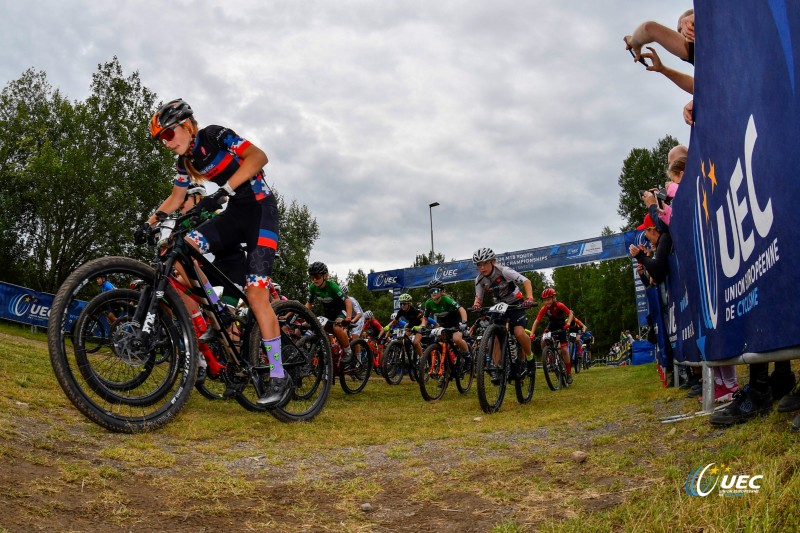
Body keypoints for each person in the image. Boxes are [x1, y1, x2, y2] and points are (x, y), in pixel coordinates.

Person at [142, 98, 288, 406]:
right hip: (235, 213)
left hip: (261, 210)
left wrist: (223, 190)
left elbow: (258, 157)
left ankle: (277, 374)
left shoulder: (213, 135)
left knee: (258, 295)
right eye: (161, 140)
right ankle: (216, 312)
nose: (166, 143)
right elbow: (175, 197)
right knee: (183, 245)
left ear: (188, 126)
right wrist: (150, 221)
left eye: (168, 135)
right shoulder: (184, 162)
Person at [470, 247, 536, 371]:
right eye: (479, 265)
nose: (482, 267)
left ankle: (529, 357)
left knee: (519, 333)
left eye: (485, 263)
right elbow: (478, 297)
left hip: (515, 303)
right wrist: (477, 304)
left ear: (493, 261)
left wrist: (530, 298)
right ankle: (497, 367)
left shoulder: (504, 271)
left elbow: (526, 281)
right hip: (499, 306)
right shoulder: (479, 280)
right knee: (493, 335)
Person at [305, 261, 354, 364]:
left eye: (317, 276)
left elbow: (347, 301)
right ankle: (329, 349)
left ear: (325, 276)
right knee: (319, 329)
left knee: (336, 327)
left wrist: (348, 317)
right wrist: (303, 315)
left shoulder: (332, 286)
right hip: (328, 312)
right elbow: (309, 303)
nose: (314, 279)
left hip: (341, 310)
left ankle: (348, 350)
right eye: (312, 277)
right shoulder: (313, 287)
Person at [530, 287, 574, 384]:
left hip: (562, 327)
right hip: (551, 327)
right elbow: (537, 321)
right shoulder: (544, 308)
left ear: (554, 298)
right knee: (542, 340)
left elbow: (570, 314)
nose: (547, 302)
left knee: (564, 350)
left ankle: (568, 373)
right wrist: (532, 333)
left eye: (549, 299)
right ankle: (549, 356)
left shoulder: (559, 305)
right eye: (545, 300)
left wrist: (568, 323)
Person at [424, 279, 469, 365]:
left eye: (436, 290)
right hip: (444, 322)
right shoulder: (428, 303)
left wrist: (464, 322)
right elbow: (425, 318)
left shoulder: (446, 299)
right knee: (440, 341)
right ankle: (447, 366)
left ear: (441, 291)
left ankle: (467, 356)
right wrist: (422, 327)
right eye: (431, 291)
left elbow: (461, 309)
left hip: (455, 320)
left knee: (456, 339)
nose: (433, 293)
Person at [379, 293, 425, 360]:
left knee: (415, 342)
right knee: (403, 337)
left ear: (409, 304)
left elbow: (423, 320)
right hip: (411, 324)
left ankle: (422, 359)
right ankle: (406, 354)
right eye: (401, 304)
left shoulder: (414, 310)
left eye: (404, 304)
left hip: (420, 325)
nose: (402, 306)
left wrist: (420, 327)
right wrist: (387, 327)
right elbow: (394, 321)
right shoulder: (401, 311)